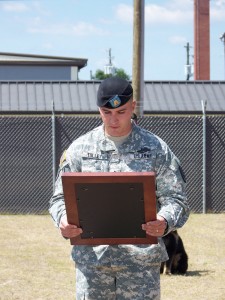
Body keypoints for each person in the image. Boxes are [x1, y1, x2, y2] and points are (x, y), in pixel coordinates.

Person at [49, 77, 189, 300]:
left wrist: (163, 221)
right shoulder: (79, 149)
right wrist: (63, 219)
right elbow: (58, 199)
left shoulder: (155, 149)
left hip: (140, 266)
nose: (113, 119)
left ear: (133, 106)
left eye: (121, 112)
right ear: (99, 110)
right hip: (93, 264)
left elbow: (177, 200)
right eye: (107, 112)